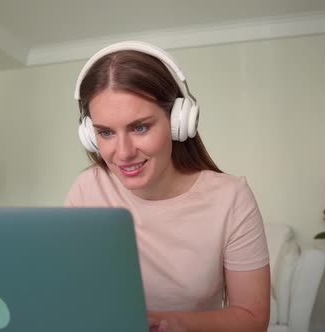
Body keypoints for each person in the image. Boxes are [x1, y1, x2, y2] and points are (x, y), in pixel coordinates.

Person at [65, 41, 270, 332]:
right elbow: (70, 290)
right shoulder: (87, 188)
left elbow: (253, 318)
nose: (122, 153)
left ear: (178, 122)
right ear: (89, 134)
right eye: (106, 132)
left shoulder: (231, 198)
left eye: (139, 127)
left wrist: (167, 322)